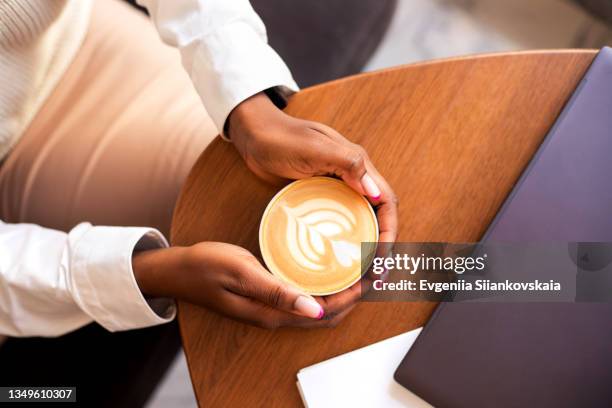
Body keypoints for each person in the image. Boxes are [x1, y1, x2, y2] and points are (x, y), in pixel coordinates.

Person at [0, 0, 398, 405]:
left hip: (70, 43)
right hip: (11, 174)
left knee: (267, 186)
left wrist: (250, 109)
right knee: (236, 231)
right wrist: (146, 274)